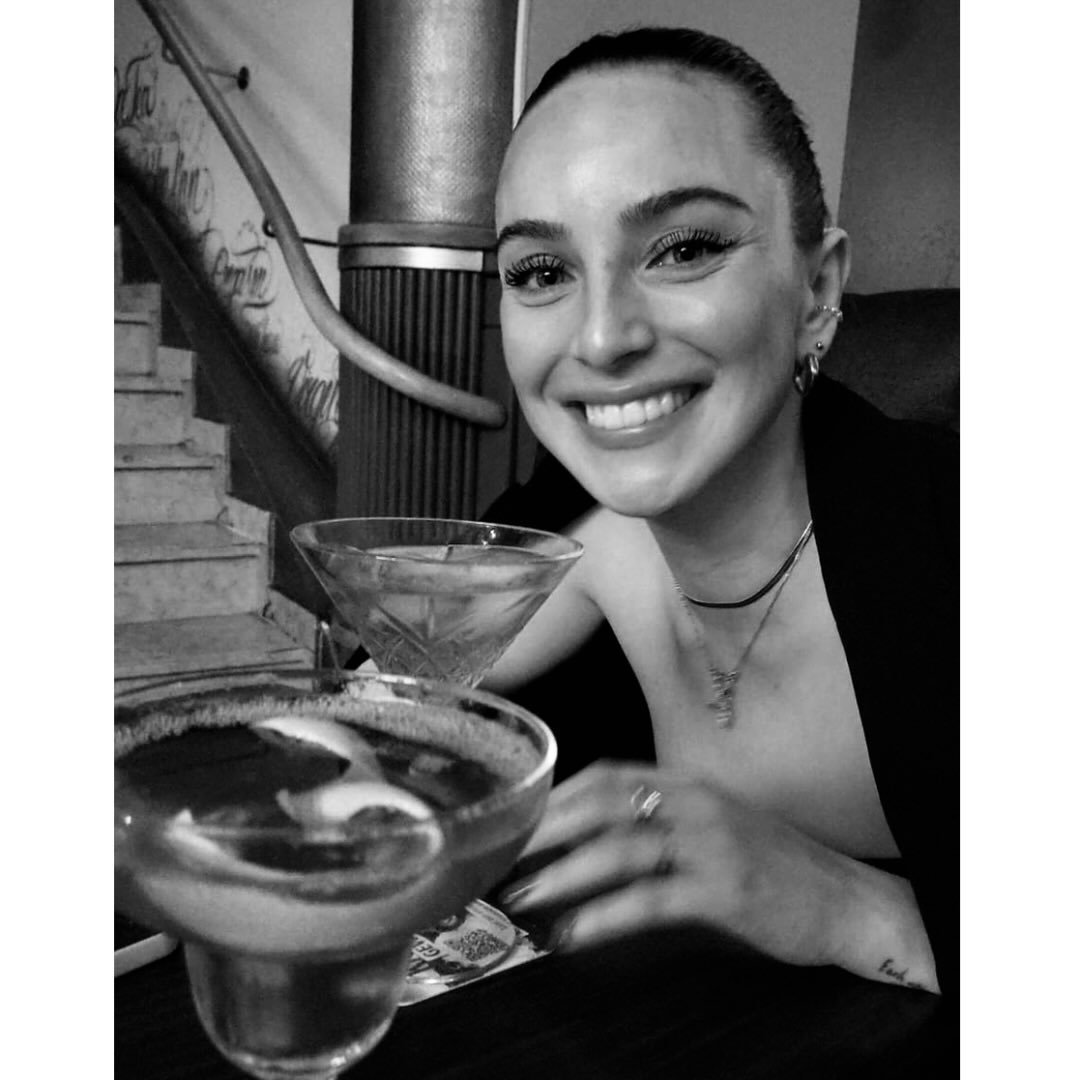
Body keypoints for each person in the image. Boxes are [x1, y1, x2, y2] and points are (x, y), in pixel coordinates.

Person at [479, 27, 957, 996]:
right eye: (540, 272)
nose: (601, 339)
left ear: (817, 291)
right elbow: (398, 682)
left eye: (684, 249)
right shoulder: (578, 516)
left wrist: (853, 907)